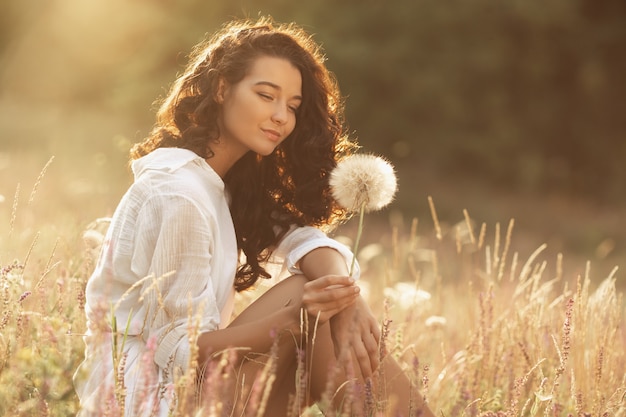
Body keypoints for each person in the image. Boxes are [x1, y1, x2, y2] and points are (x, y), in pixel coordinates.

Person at [73, 17, 435, 417]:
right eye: (266, 95)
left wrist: (346, 297)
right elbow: (178, 352)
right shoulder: (181, 196)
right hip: (147, 400)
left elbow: (302, 239)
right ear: (223, 89)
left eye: (293, 106)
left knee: (319, 293)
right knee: (307, 300)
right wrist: (296, 319)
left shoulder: (223, 184)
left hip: (186, 391)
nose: (282, 116)